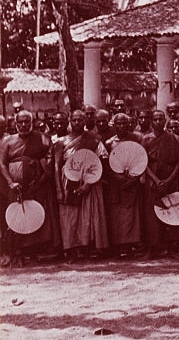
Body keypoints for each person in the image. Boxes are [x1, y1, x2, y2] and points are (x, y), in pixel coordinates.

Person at [0, 110, 60, 265]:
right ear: (15, 122)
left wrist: (39, 181)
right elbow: (2, 164)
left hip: (37, 186)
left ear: (32, 122)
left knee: (35, 216)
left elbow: (49, 162)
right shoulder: (7, 141)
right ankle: (18, 253)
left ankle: (34, 252)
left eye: (27, 121)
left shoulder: (42, 138)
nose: (23, 125)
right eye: (20, 122)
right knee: (17, 217)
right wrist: (10, 182)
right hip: (15, 187)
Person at [53, 109, 109, 261]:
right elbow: (57, 166)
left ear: (85, 122)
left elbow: (100, 163)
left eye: (80, 120)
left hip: (91, 180)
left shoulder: (94, 139)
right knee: (69, 217)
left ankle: (86, 249)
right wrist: (59, 189)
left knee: (88, 216)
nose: (77, 123)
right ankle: (71, 250)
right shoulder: (61, 141)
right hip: (68, 181)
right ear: (70, 121)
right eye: (74, 120)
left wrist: (88, 183)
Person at [140, 109, 179, 257]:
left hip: (170, 179)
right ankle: (152, 249)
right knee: (151, 215)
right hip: (153, 180)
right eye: (156, 119)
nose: (159, 122)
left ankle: (171, 248)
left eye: (161, 119)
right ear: (151, 121)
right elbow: (143, 162)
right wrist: (156, 180)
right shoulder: (146, 139)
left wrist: (168, 180)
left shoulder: (175, 139)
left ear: (165, 121)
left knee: (171, 211)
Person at [104, 112, 145, 257]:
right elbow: (106, 166)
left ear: (129, 124)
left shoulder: (137, 139)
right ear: (114, 125)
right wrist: (118, 178)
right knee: (117, 214)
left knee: (132, 215)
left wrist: (133, 179)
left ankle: (131, 245)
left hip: (133, 183)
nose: (121, 126)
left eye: (124, 123)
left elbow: (142, 160)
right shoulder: (109, 143)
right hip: (116, 185)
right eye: (118, 124)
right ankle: (119, 246)